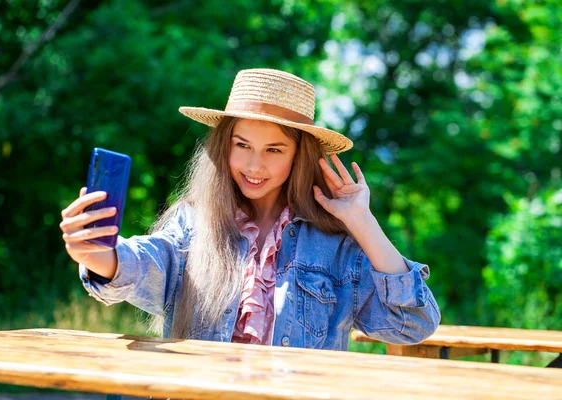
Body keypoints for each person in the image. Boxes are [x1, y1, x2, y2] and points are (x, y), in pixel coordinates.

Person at [59, 68, 440, 350]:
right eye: (242, 145)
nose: (254, 166)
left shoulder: (335, 245)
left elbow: (412, 325)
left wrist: (363, 222)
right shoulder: (193, 224)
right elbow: (145, 263)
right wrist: (99, 254)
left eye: (273, 150)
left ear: (299, 157)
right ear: (224, 146)